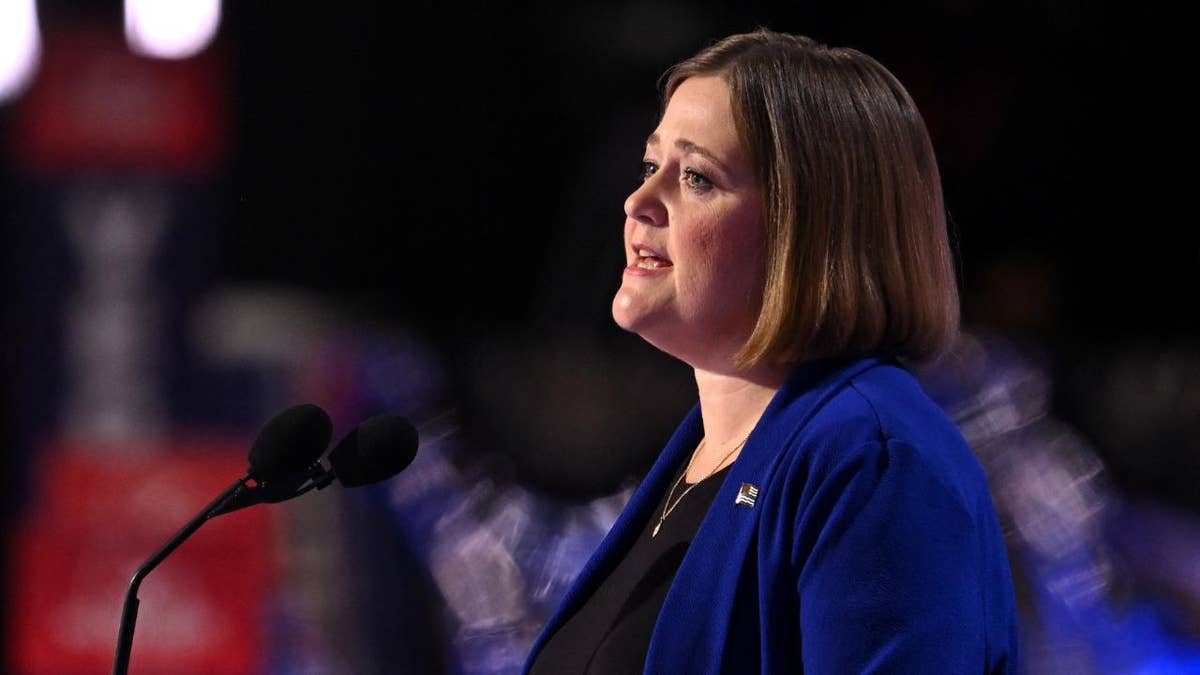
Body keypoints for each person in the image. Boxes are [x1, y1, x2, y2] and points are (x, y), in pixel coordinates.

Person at [523, 29, 1018, 674]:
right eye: (652, 166)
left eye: (696, 177)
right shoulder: (703, 457)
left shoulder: (874, 462)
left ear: (807, 229)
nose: (639, 202)